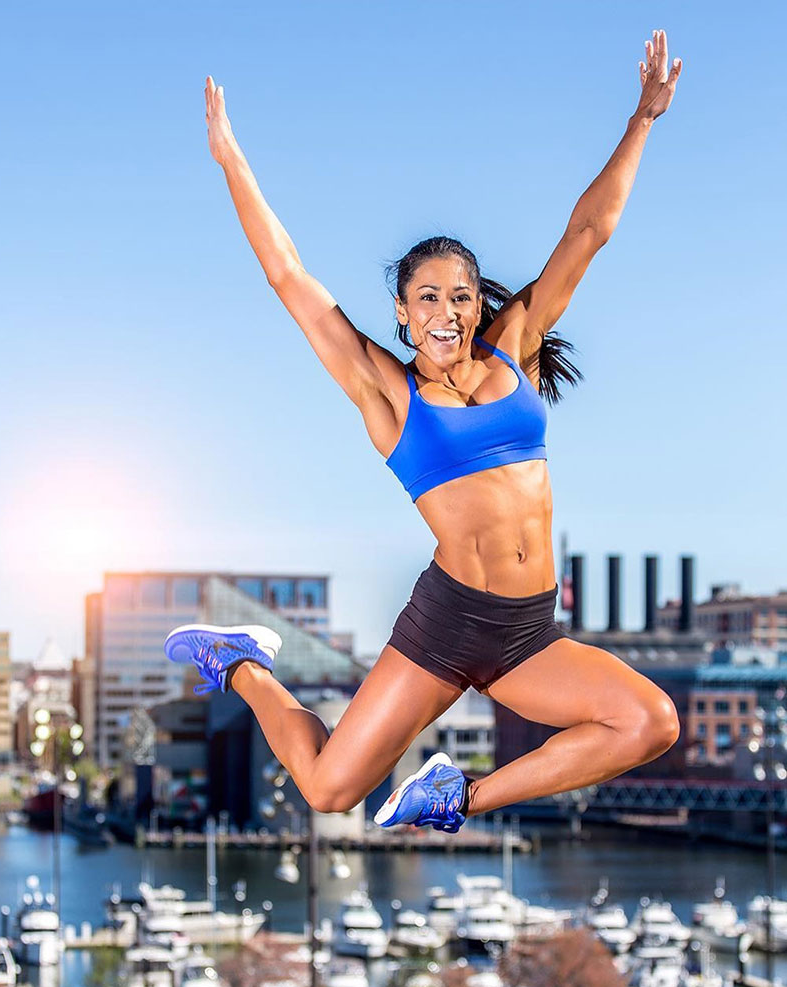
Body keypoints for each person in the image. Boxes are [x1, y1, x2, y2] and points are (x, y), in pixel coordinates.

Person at [165, 29, 683, 833]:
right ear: (404, 312)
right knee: (331, 790)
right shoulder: (387, 390)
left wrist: (642, 120)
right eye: (430, 298)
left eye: (462, 295)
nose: (450, 311)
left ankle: (459, 797)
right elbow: (288, 275)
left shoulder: (514, 348)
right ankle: (236, 663)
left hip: (527, 630)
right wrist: (232, 159)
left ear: (480, 303)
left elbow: (588, 233)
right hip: (447, 624)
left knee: (650, 722)